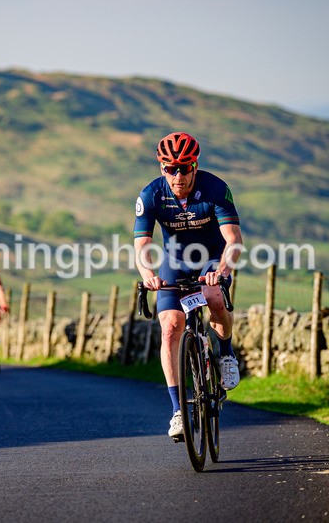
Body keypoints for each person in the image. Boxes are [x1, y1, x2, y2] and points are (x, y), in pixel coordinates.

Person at [133, 131, 243, 440]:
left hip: (212, 260)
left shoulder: (215, 189)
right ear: (162, 169)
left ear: (195, 166)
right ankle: (178, 410)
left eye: (184, 167)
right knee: (170, 326)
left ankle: (225, 354)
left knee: (213, 296)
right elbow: (142, 245)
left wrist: (222, 270)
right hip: (175, 263)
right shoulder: (151, 195)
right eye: (171, 168)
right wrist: (148, 274)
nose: (178, 175)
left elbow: (233, 240)